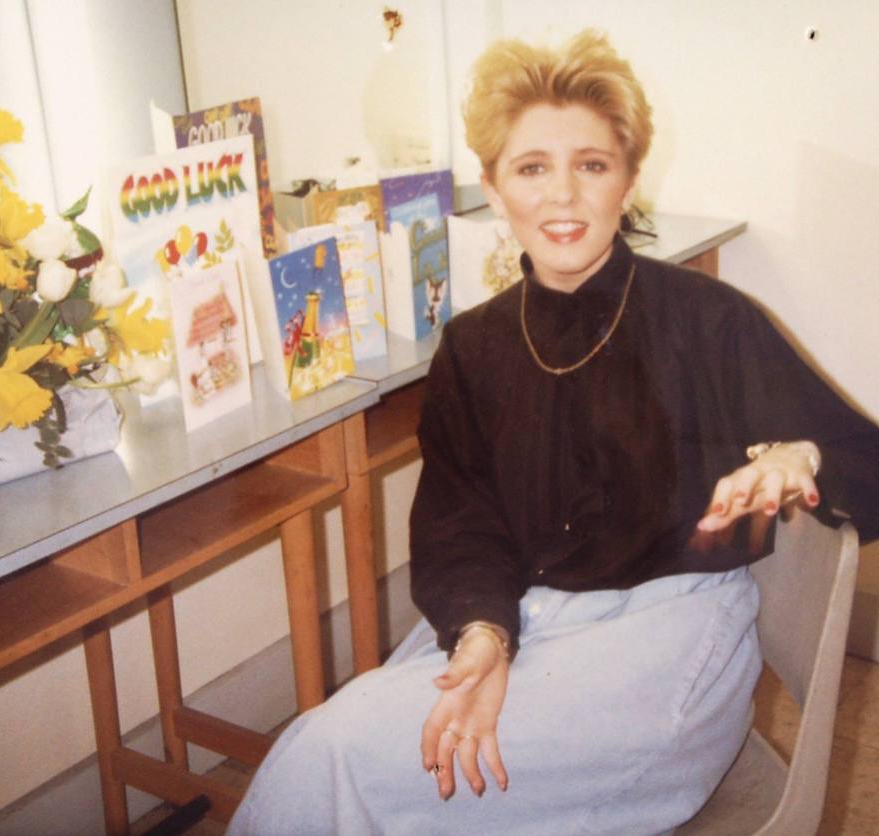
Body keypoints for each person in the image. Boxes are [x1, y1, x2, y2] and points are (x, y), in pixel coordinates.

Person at [228, 30, 879, 835]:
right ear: (495, 189)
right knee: (335, 746)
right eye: (532, 168)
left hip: (671, 644)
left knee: (336, 760)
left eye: (592, 165)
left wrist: (798, 453)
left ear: (629, 180)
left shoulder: (709, 320)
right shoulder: (474, 346)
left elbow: (867, 458)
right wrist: (484, 635)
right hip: (524, 618)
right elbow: (458, 523)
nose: (562, 197)